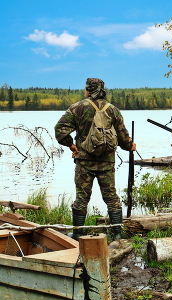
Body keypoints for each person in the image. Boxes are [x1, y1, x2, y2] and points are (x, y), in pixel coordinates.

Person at [55, 78, 136, 240]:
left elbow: (60, 130)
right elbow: (123, 136)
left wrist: (71, 145)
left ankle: (77, 234)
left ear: (88, 91)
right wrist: (130, 146)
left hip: (84, 161)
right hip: (107, 162)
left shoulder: (77, 107)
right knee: (111, 196)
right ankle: (117, 234)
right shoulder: (113, 110)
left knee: (82, 198)